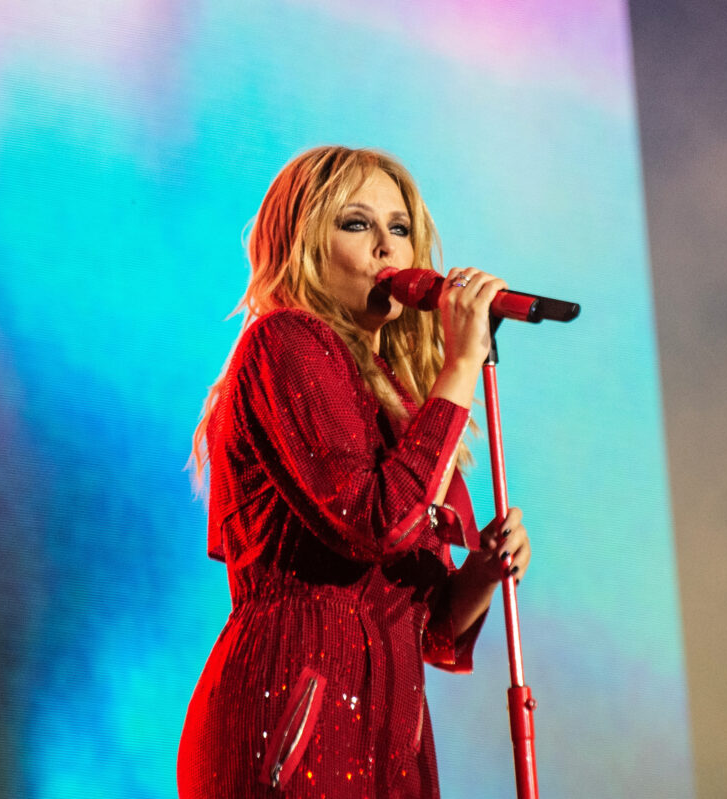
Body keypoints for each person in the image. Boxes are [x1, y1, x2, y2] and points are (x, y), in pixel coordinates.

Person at [177, 146, 531, 798]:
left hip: (390, 738)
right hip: (293, 717)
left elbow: (430, 629)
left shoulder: (402, 400)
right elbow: (370, 523)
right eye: (356, 223)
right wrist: (459, 366)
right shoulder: (284, 340)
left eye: (400, 228)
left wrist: (482, 572)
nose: (386, 247)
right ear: (304, 243)